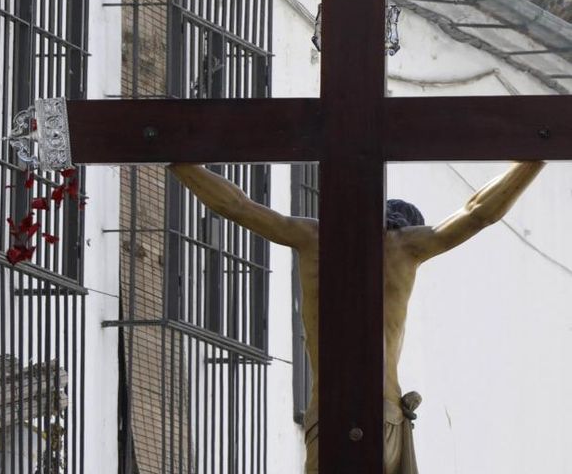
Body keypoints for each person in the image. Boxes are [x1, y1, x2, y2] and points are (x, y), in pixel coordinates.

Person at [169, 161, 545, 474]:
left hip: (327, 415)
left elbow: (238, 205)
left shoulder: (310, 237)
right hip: (386, 417)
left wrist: (179, 163)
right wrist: (535, 157)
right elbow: (477, 212)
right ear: (406, 224)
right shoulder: (408, 247)